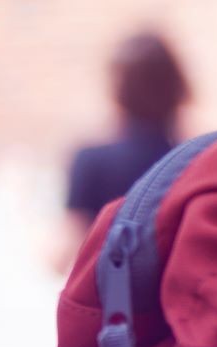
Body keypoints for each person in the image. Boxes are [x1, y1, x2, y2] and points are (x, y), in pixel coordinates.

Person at [63, 28, 189, 251]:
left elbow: (68, 250)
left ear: (118, 92)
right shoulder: (193, 160)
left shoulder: (90, 161)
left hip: (111, 284)